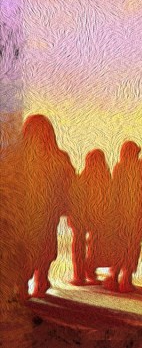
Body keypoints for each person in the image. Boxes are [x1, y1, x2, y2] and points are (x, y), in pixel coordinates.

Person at [9, 115, 75, 298]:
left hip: (32, 214)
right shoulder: (60, 158)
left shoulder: (17, 157)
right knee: (42, 249)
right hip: (41, 214)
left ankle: (27, 285)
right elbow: (70, 187)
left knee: (32, 250)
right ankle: (38, 282)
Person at [105, 141, 142, 293]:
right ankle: (125, 279)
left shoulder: (121, 169)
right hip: (135, 217)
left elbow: (113, 195)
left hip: (123, 217)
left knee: (121, 246)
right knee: (131, 247)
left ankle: (116, 277)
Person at [69, 149, 113, 286]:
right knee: (91, 244)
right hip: (92, 217)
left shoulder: (83, 177)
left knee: (83, 244)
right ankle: (86, 272)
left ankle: (81, 274)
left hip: (85, 218)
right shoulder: (105, 178)